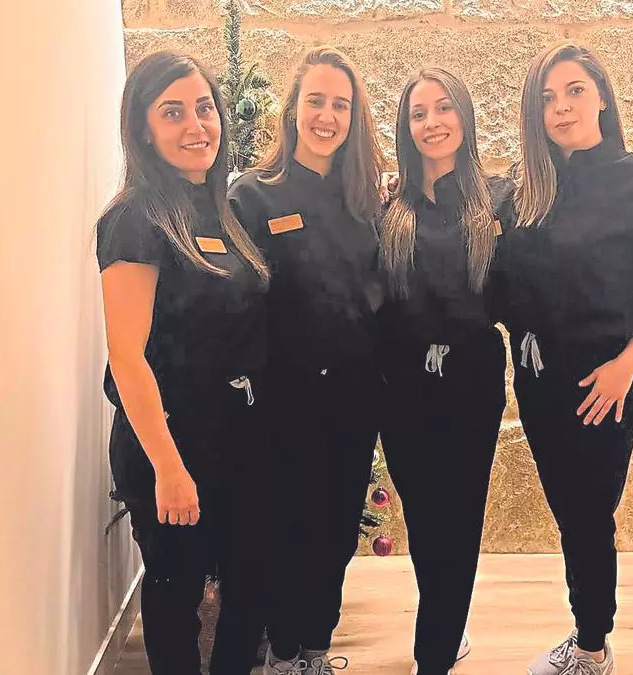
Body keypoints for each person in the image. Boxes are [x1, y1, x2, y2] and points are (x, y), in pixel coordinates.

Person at [497, 43, 633, 675]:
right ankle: (588, 635)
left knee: (587, 513)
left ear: (601, 95)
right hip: (538, 379)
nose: (562, 107)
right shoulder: (525, 188)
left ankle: (591, 646)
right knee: (569, 510)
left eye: (575, 90)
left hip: (608, 379)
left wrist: (627, 364)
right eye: (547, 98)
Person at [96, 50, 272, 675]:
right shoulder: (134, 220)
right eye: (173, 113)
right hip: (171, 442)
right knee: (176, 594)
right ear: (144, 130)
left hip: (236, 439)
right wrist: (169, 469)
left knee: (249, 585)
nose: (196, 126)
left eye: (204, 108)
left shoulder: (222, 209)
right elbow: (127, 357)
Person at [227, 46, 385, 675]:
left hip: (352, 399)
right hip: (281, 402)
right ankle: (284, 652)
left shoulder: (365, 201)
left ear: (353, 117)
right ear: (292, 110)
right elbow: (237, 305)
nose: (327, 115)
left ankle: (315, 650)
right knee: (283, 532)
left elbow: (379, 292)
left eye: (340, 105)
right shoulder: (252, 196)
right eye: (315, 101)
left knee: (337, 530)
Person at [376, 67, 509, 675]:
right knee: (424, 519)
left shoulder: (500, 199)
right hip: (400, 385)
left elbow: (516, 290)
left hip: (470, 385)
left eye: (443, 108)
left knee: (458, 518)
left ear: (465, 115)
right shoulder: (390, 206)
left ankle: (433, 654)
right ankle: (446, 627)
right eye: (418, 113)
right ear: (406, 128)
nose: (432, 123)